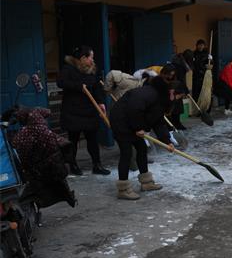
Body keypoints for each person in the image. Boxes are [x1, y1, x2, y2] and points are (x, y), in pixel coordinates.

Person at [109, 75, 175, 200]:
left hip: (132, 122)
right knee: (126, 153)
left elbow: (158, 122)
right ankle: (123, 189)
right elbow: (134, 108)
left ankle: (146, 183)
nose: (175, 98)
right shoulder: (149, 93)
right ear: (171, 92)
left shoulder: (159, 100)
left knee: (142, 148)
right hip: (121, 120)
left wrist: (167, 141)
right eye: (176, 95)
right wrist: (138, 127)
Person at [57, 46, 110, 176]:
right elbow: (61, 82)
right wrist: (78, 86)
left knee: (92, 139)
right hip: (73, 110)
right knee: (73, 140)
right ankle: (73, 164)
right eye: (91, 57)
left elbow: (97, 88)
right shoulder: (68, 69)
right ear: (83, 58)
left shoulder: (91, 70)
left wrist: (101, 102)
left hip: (89, 110)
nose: (93, 59)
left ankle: (97, 165)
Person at [12, 108, 76, 208]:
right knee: (59, 185)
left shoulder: (25, 133)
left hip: (42, 167)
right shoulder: (41, 124)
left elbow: (18, 148)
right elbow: (48, 111)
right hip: (56, 163)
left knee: (39, 187)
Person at [168, 52, 192, 130]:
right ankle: (175, 124)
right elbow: (181, 79)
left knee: (175, 106)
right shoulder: (180, 66)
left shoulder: (177, 62)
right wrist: (186, 90)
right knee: (176, 106)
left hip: (174, 86)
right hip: (175, 87)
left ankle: (174, 123)